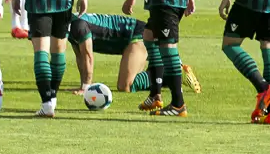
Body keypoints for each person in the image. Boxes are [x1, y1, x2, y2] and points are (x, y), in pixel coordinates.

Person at [66, 13, 203, 95]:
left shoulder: (78, 25)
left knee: (125, 86)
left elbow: (88, 56)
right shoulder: (70, 29)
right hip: (132, 40)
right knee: (127, 83)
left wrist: (86, 88)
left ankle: (171, 74)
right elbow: (80, 57)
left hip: (138, 34)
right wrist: (82, 85)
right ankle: (165, 76)